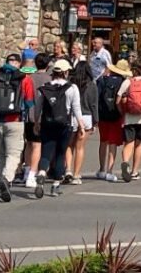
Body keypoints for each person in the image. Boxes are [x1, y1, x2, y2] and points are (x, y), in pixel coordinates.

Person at [0, 53, 34, 202]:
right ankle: (6, 178)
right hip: (15, 120)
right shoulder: (24, 79)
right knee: (13, 154)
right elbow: (30, 102)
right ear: (18, 64)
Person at [33, 59, 83, 198]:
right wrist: (81, 125)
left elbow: (38, 107)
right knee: (61, 154)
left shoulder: (45, 87)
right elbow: (76, 108)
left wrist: (36, 122)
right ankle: (55, 185)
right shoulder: (72, 88)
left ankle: (42, 173)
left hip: (47, 123)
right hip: (64, 124)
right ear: (66, 72)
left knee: (46, 153)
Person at [96, 59, 129, 182]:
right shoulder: (124, 82)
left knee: (103, 141)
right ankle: (110, 171)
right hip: (116, 115)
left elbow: (98, 97)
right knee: (113, 143)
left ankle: (102, 169)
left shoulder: (102, 80)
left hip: (102, 115)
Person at [66, 60, 98, 184]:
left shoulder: (71, 84)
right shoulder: (92, 85)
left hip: (72, 116)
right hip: (86, 117)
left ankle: (67, 170)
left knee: (69, 145)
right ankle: (76, 174)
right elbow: (94, 105)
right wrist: (96, 121)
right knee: (80, 147)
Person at [24, 53, 53, 189]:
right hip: (41, 116)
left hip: (28, 114)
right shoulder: (50, 79)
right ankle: (32, 173)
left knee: (29, 144)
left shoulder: (29, 78)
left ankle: (26, 170)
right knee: (37, 145)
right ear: (48, 65)